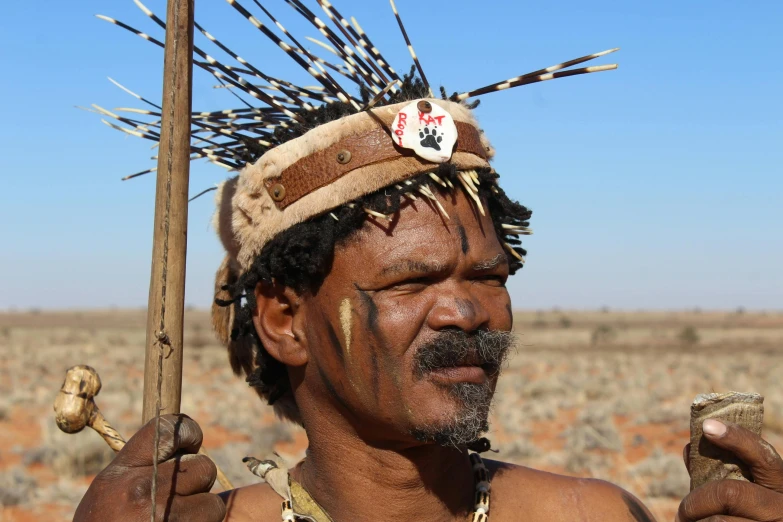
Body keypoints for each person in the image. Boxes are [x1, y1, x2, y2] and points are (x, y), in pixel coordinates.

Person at [75, 1, 783, 520]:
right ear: (284, 320)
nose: (466, 310)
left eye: (488, 276)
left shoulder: (586, 514)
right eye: (410, 280)